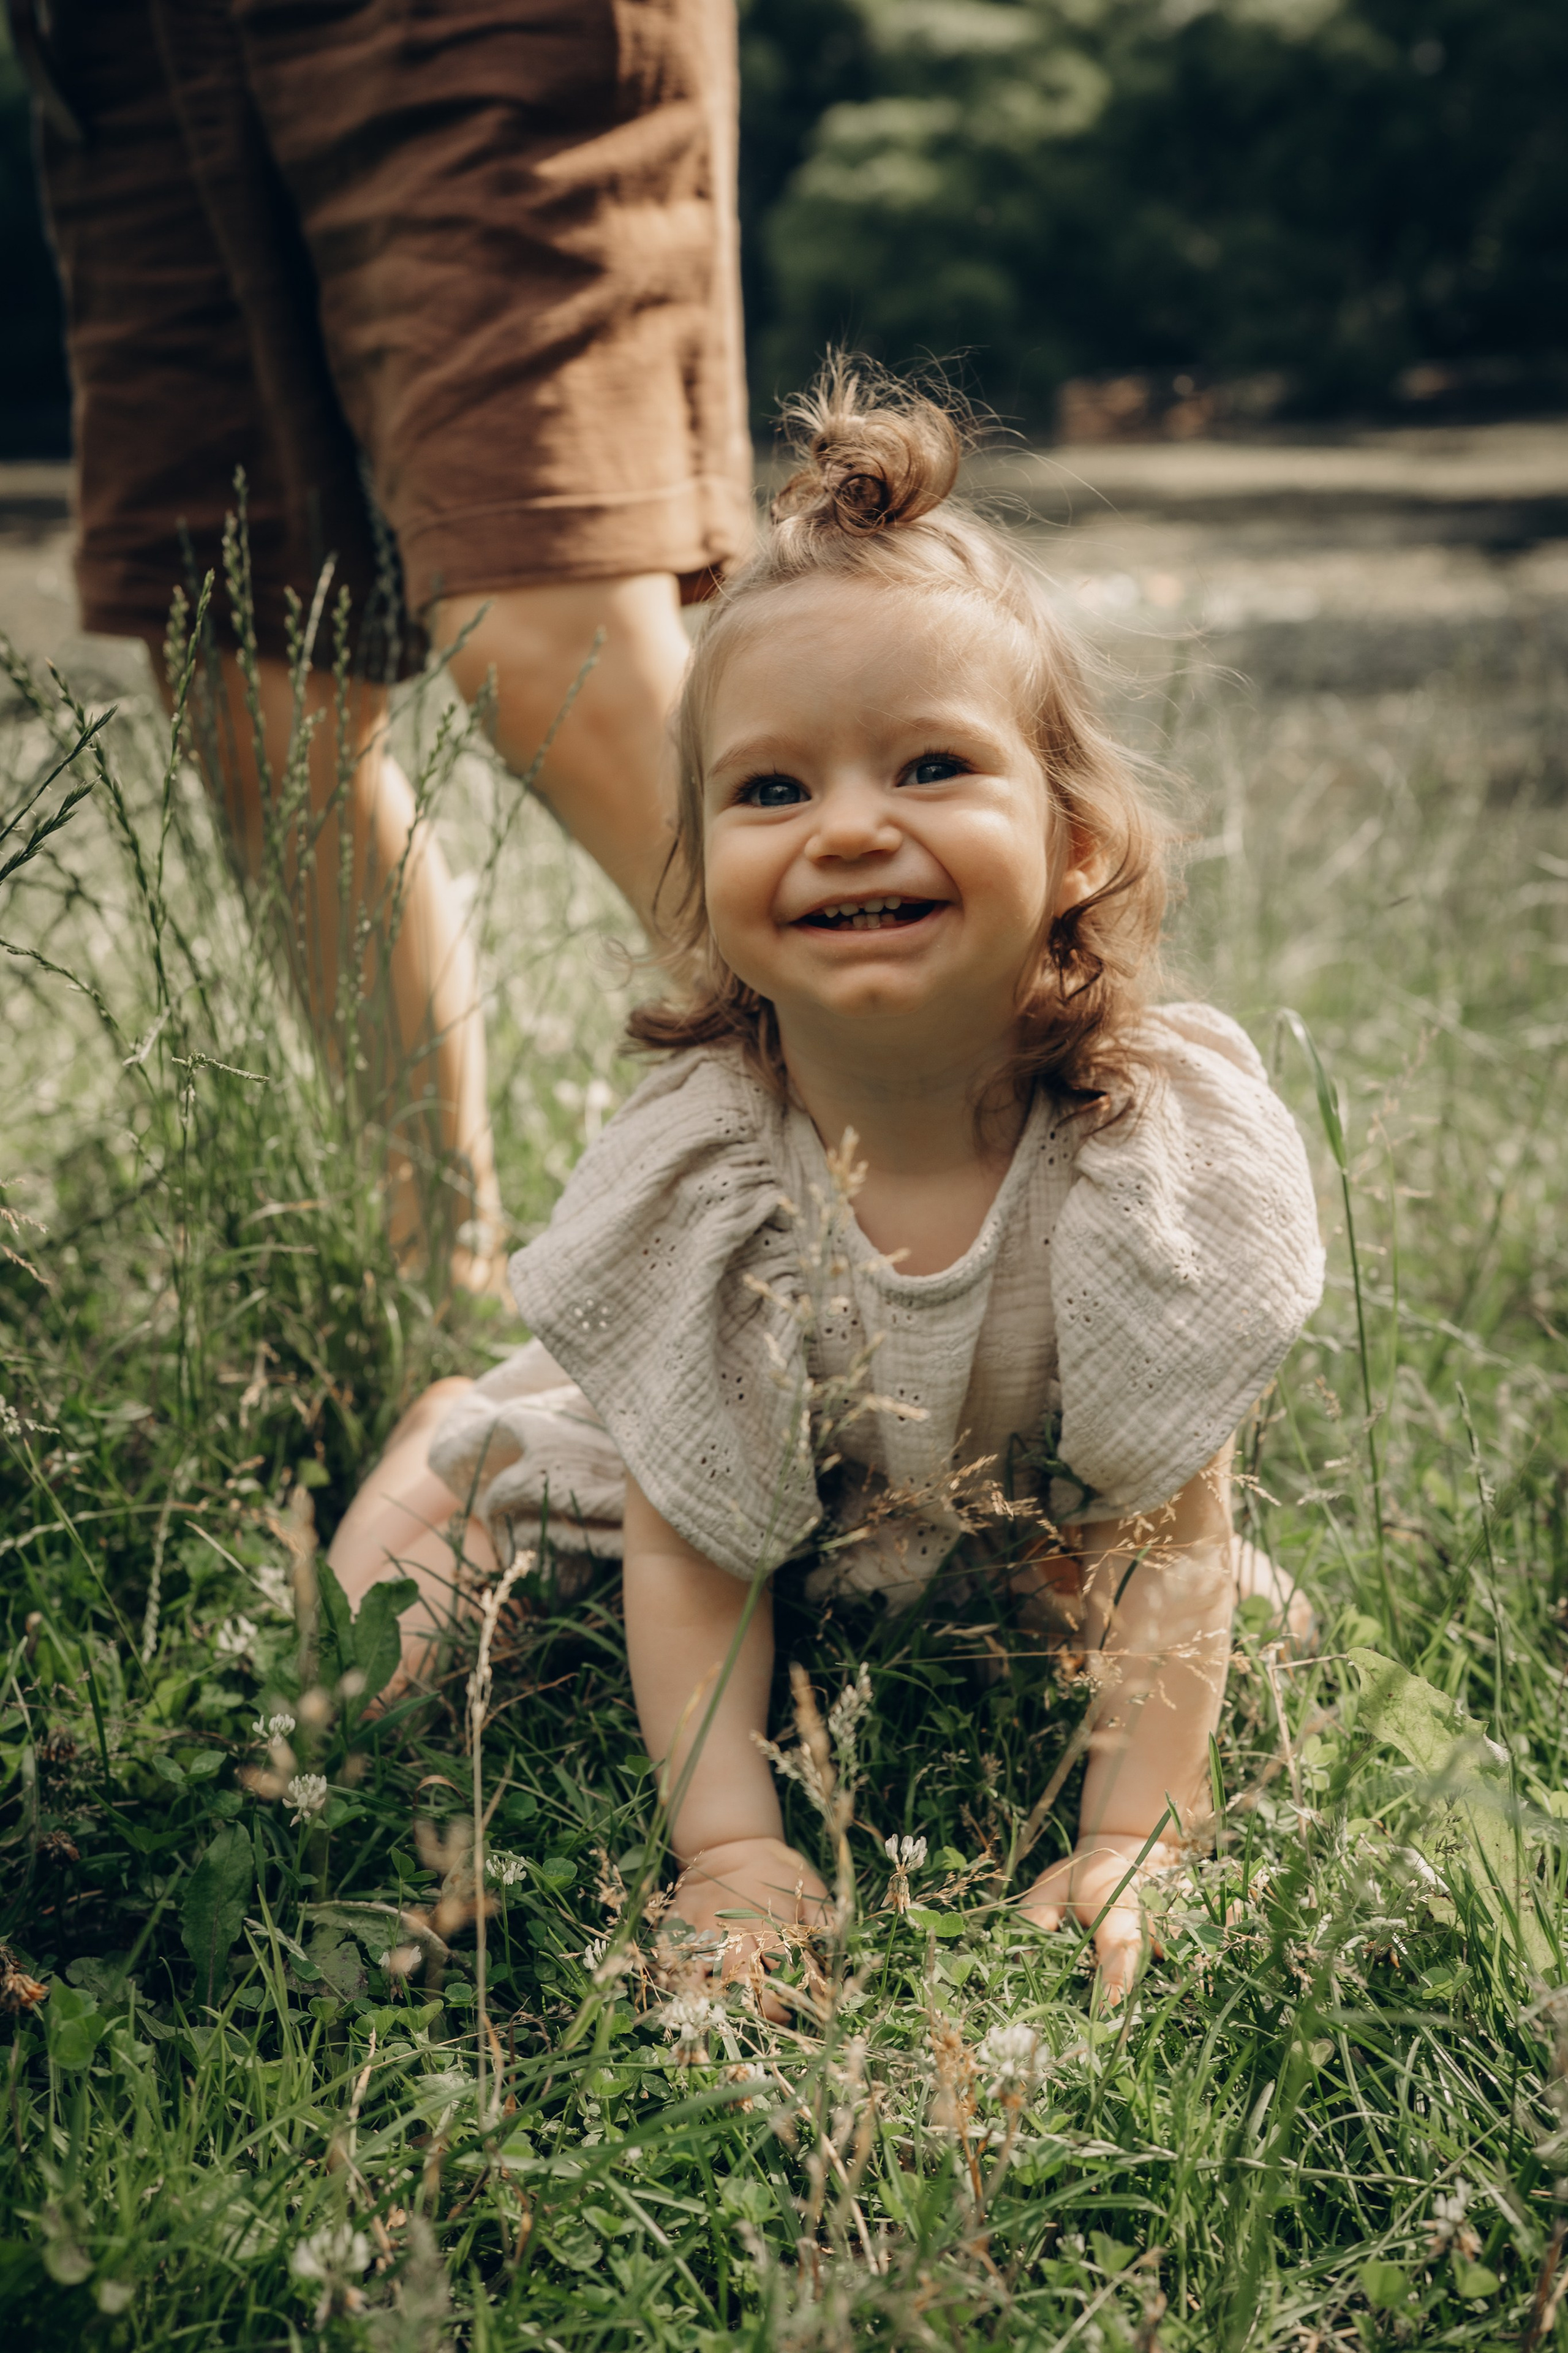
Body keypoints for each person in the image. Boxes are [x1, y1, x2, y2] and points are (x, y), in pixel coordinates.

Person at [327, 364, 1324, 1993]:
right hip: (682, 1475)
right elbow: (692, 1549)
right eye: (773, 790)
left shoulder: (1139, 1150)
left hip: (957, 1516)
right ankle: (440, 1436)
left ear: (1076, 839)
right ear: (708, 877)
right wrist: (733, 1849)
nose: (849, 828)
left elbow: (1167, 1530)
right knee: (381, 1660)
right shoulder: (720, 1182)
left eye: (931, 768)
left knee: (1223, 1628)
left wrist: (1138, 1834)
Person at [21, 0, 752, 1283]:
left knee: (540, 639)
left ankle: (959, 1193)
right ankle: (440, 1300)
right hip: (125, 44)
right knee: (246, 694)